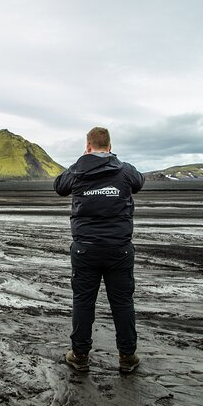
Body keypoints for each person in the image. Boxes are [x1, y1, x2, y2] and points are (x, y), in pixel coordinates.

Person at [53, 127, 145, 373]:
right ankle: (127, 357)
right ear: (110, 145)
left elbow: (59, 185)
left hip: (86, 249)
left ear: (88, 145)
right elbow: (139, 181)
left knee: (83, 301)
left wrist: (82, 161)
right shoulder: (124, 170)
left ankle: (80, 356)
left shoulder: (78, 170)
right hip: (119, 249)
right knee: (123, 303)